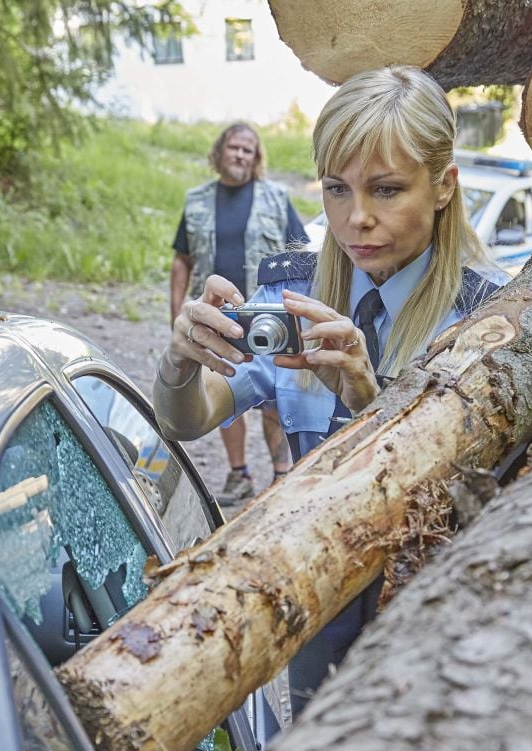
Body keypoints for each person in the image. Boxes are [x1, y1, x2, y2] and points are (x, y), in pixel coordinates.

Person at [155, 66, 507, 713]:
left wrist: (368, 404)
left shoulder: (493, 315)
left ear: (441, 187)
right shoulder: (293, 290)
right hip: (318, 618)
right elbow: (189, 419)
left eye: (386, 189)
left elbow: (486, 498)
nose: (356, 219)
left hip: (439, 631)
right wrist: (179, 360)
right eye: (337, 189)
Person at [170, 121, 309, 506]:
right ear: (220, 152)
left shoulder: (276, 198)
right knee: (223, 387)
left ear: (257, 157)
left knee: (273, 397)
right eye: (234, 147)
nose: (241, 155)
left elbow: (301, 256)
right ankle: (239, 474)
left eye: (249, 150)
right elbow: (181, 259)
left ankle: (283, 475)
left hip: (266, 316)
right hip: (217, 320)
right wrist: (177, 310)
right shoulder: (197, 200)